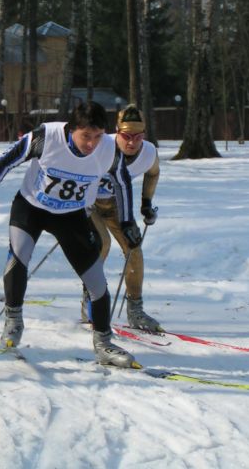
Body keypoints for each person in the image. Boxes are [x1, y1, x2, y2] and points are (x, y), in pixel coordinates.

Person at [0, 101, 143, 367]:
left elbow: (122, 180)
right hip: (31, 208)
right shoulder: (46, 137)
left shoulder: (108, 150)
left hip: (71, 216)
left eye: (98, 136)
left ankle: (103, 343)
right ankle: (13, 322)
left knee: (96, 281)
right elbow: (6, 161)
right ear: (72, 130)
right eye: (86, 136)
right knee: (18, 258)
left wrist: (127, 221)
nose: (92, 144)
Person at [82, 105, 161, 332]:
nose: (131, 142)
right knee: (102, 243)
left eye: (137, 136)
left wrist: (146, 203)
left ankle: (135, 310)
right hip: (90, 204)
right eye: (126, 136)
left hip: (117, 206)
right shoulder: (101, 146)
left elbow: (153, 172)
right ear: (117, 132)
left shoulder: (148, 153)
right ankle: (90, 299)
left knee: (134, 248)